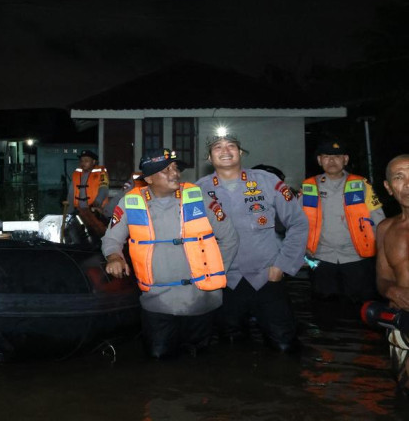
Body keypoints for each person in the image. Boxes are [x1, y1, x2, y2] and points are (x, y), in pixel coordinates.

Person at [104, 148, 238, 358]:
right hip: (157, 303)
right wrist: (113, 256)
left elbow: (229, 238)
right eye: (166, 170)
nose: (174, 173)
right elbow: (112, 239)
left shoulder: (197, 198)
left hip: (201, 300)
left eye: (175, 168)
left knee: (199, 362)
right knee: (158, 361)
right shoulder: (131, 202)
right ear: (148, 178)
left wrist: (216, 273)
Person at [195, 132, 308, 352]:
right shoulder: (197, 190)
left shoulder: (268, 182)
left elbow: (298, 223)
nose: (225, 151)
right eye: (217, 147)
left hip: (267, 277)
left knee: (284, 345)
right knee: (230, 346)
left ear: (240, 152)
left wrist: (283, 265)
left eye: (231, 146)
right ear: (209, 157)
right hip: (225, 280)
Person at [301, 140, 384, 303]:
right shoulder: (309, 186)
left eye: (337, 156)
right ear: (319, 160)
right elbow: (297, 221)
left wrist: (383, 251)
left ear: (345, 159)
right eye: (326, 157)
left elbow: (379, 219)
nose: (332, 161)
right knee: (322, 305)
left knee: (359, 305)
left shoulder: (361, 184)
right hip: (319, 257)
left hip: (357, 257)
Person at [377, 155, 409, 393]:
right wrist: (391, 290)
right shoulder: (385, 228)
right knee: (403, 391)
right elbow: (382, 277)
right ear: (389, 188)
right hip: (400, 324)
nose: (408, 184)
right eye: (399, 177)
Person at [63, 149, 112, 239]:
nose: (83, 163)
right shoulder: (76, 174)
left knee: (100, 233)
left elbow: (104, 188)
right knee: (82, 233)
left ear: (93, 161)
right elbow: (71, 193)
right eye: (81, 161)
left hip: (95, 211)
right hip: (80, 211)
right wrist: (68, 213)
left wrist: (97, 203)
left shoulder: (101, 173)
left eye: (86, 161)